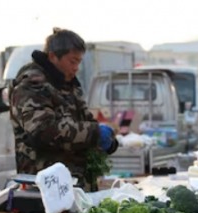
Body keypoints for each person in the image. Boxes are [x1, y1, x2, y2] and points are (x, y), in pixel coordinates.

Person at [9, 28, 118, 191]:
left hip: (75, 183)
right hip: (46, 186)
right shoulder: (33, 85)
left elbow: (84, 121)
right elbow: (43, 130)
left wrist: (106, 142)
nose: (76, 68)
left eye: (79, 62)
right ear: (53, 57)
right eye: (72, 61)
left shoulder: (68, 85)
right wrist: (95, 133)